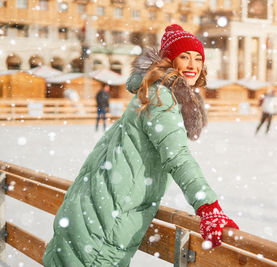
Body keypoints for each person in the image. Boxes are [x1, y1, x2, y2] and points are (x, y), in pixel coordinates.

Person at [43, 24, 238, 266]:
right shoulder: (161, 97)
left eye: (198, 58)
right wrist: (208, 205)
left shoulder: (153, 93)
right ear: (168, 60)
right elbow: (177, 156)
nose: (192, 65)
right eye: (184, 57)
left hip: (94, 210)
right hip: (105, 223)